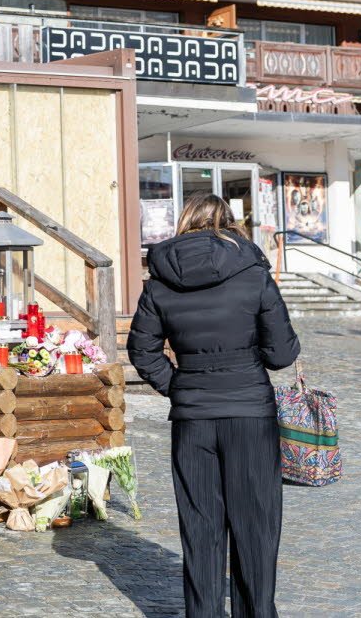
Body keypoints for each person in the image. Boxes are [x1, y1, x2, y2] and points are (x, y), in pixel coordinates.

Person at [128, 194, 300, 617]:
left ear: (186, 222)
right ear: (230, 223)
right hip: (249, 414)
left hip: (193, 419)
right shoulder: (254, 273)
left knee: (200, 528)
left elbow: (142, 351)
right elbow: (281, 355)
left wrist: (179, 386)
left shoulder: (160, 280)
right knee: (255, 528)